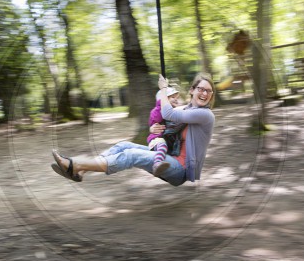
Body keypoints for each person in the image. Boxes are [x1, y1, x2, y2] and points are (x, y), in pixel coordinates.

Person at [51, 74, 216, 186]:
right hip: (168, 157)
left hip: (180, 169)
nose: (204, 93)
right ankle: (81, 172)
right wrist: (153, 127)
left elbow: (168, 112)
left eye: (208, 91)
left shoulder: (205, 115)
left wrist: (163, 90)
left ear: (211, 95)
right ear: (192, 90)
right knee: (123, 146)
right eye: (200, 89)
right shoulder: (186, 109)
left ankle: (75, 164)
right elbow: (164, 118)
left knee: (131, 155)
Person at [147, 86, 183, 177]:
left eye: (176, 98)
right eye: (172, 97)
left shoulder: (172, 111)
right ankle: (157, 164)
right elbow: (157, 118)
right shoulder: (156, 110)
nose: (176, 100)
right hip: (156, 139)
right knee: (162, 145)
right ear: (163, 99)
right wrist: (162, 104)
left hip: (165, 140)